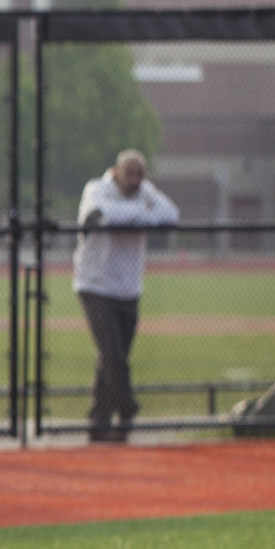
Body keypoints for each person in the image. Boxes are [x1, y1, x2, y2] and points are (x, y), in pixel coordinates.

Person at [74, 149, 179, 444]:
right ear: (116, 172)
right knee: (112, 352)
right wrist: (142, 216)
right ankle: (127, 406)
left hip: (129, 287)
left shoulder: (145, 191)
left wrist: (131, 215)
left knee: (113, 356)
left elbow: (171, 214)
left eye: (140, 174)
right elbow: (101, 214)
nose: (135, 180)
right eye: (129, 173)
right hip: (95, 284)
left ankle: (99, 421)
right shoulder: (96, 189)